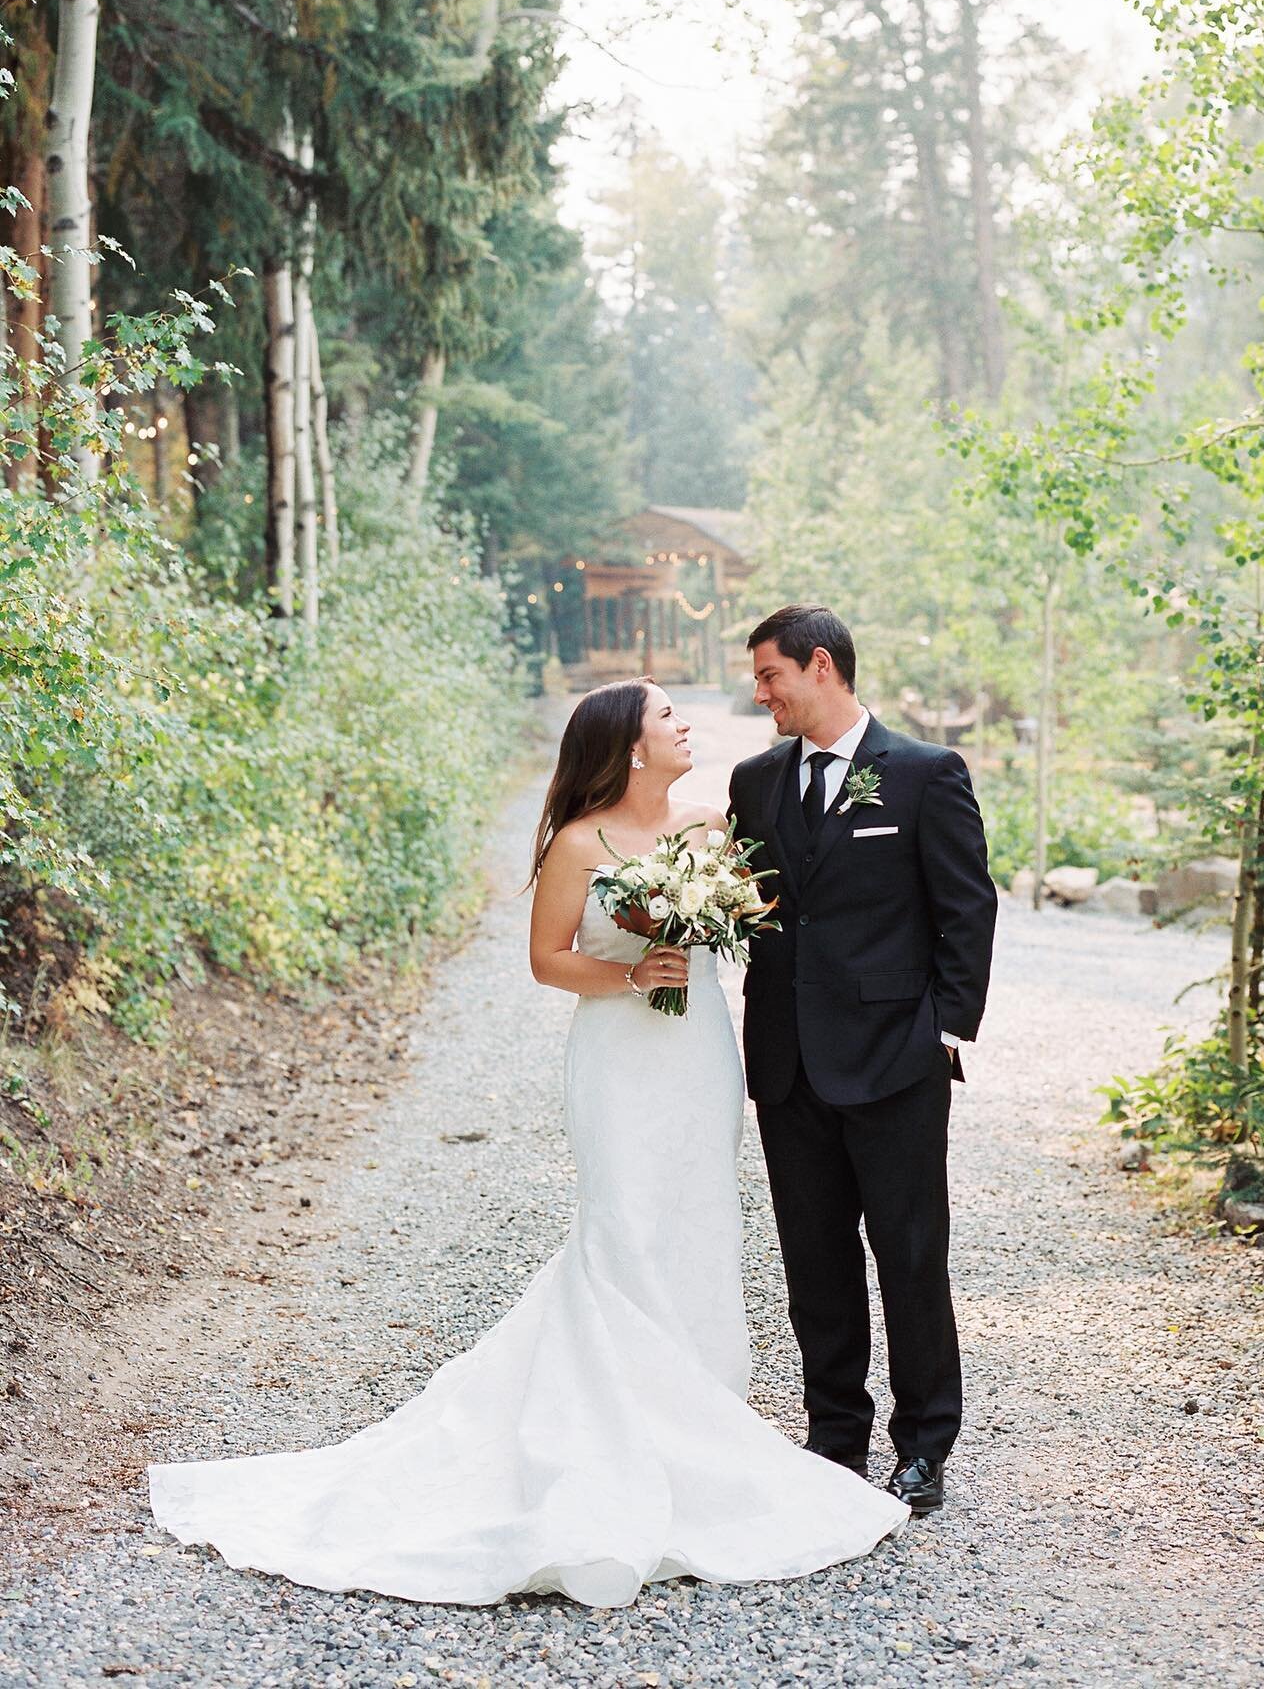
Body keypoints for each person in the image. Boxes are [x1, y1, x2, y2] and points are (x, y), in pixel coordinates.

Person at [147, 677, 906, 1608]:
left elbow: (760, 920)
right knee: (622, 1222)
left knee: (701, 1218)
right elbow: (548, 959)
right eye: (668, 716)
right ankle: (616, 1433)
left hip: (699, 1053)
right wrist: (633, 974)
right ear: (631, 747)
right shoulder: (580, 844)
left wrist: (725, 926)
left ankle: (703, 1421)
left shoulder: (711, 829)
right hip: (620, 1052)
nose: (684, 725)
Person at [728, 606, 997, 1515]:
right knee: (813, 1260)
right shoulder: (754, 780)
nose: (759, 693)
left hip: (895, 1062)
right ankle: (833, 1435)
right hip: (788, 1064)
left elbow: (967, 908)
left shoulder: (924, 773)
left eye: (769, 676)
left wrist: (945, 1033)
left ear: (820, 666)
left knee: (910, 1254)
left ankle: (925, 1443)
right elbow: (756, 908)